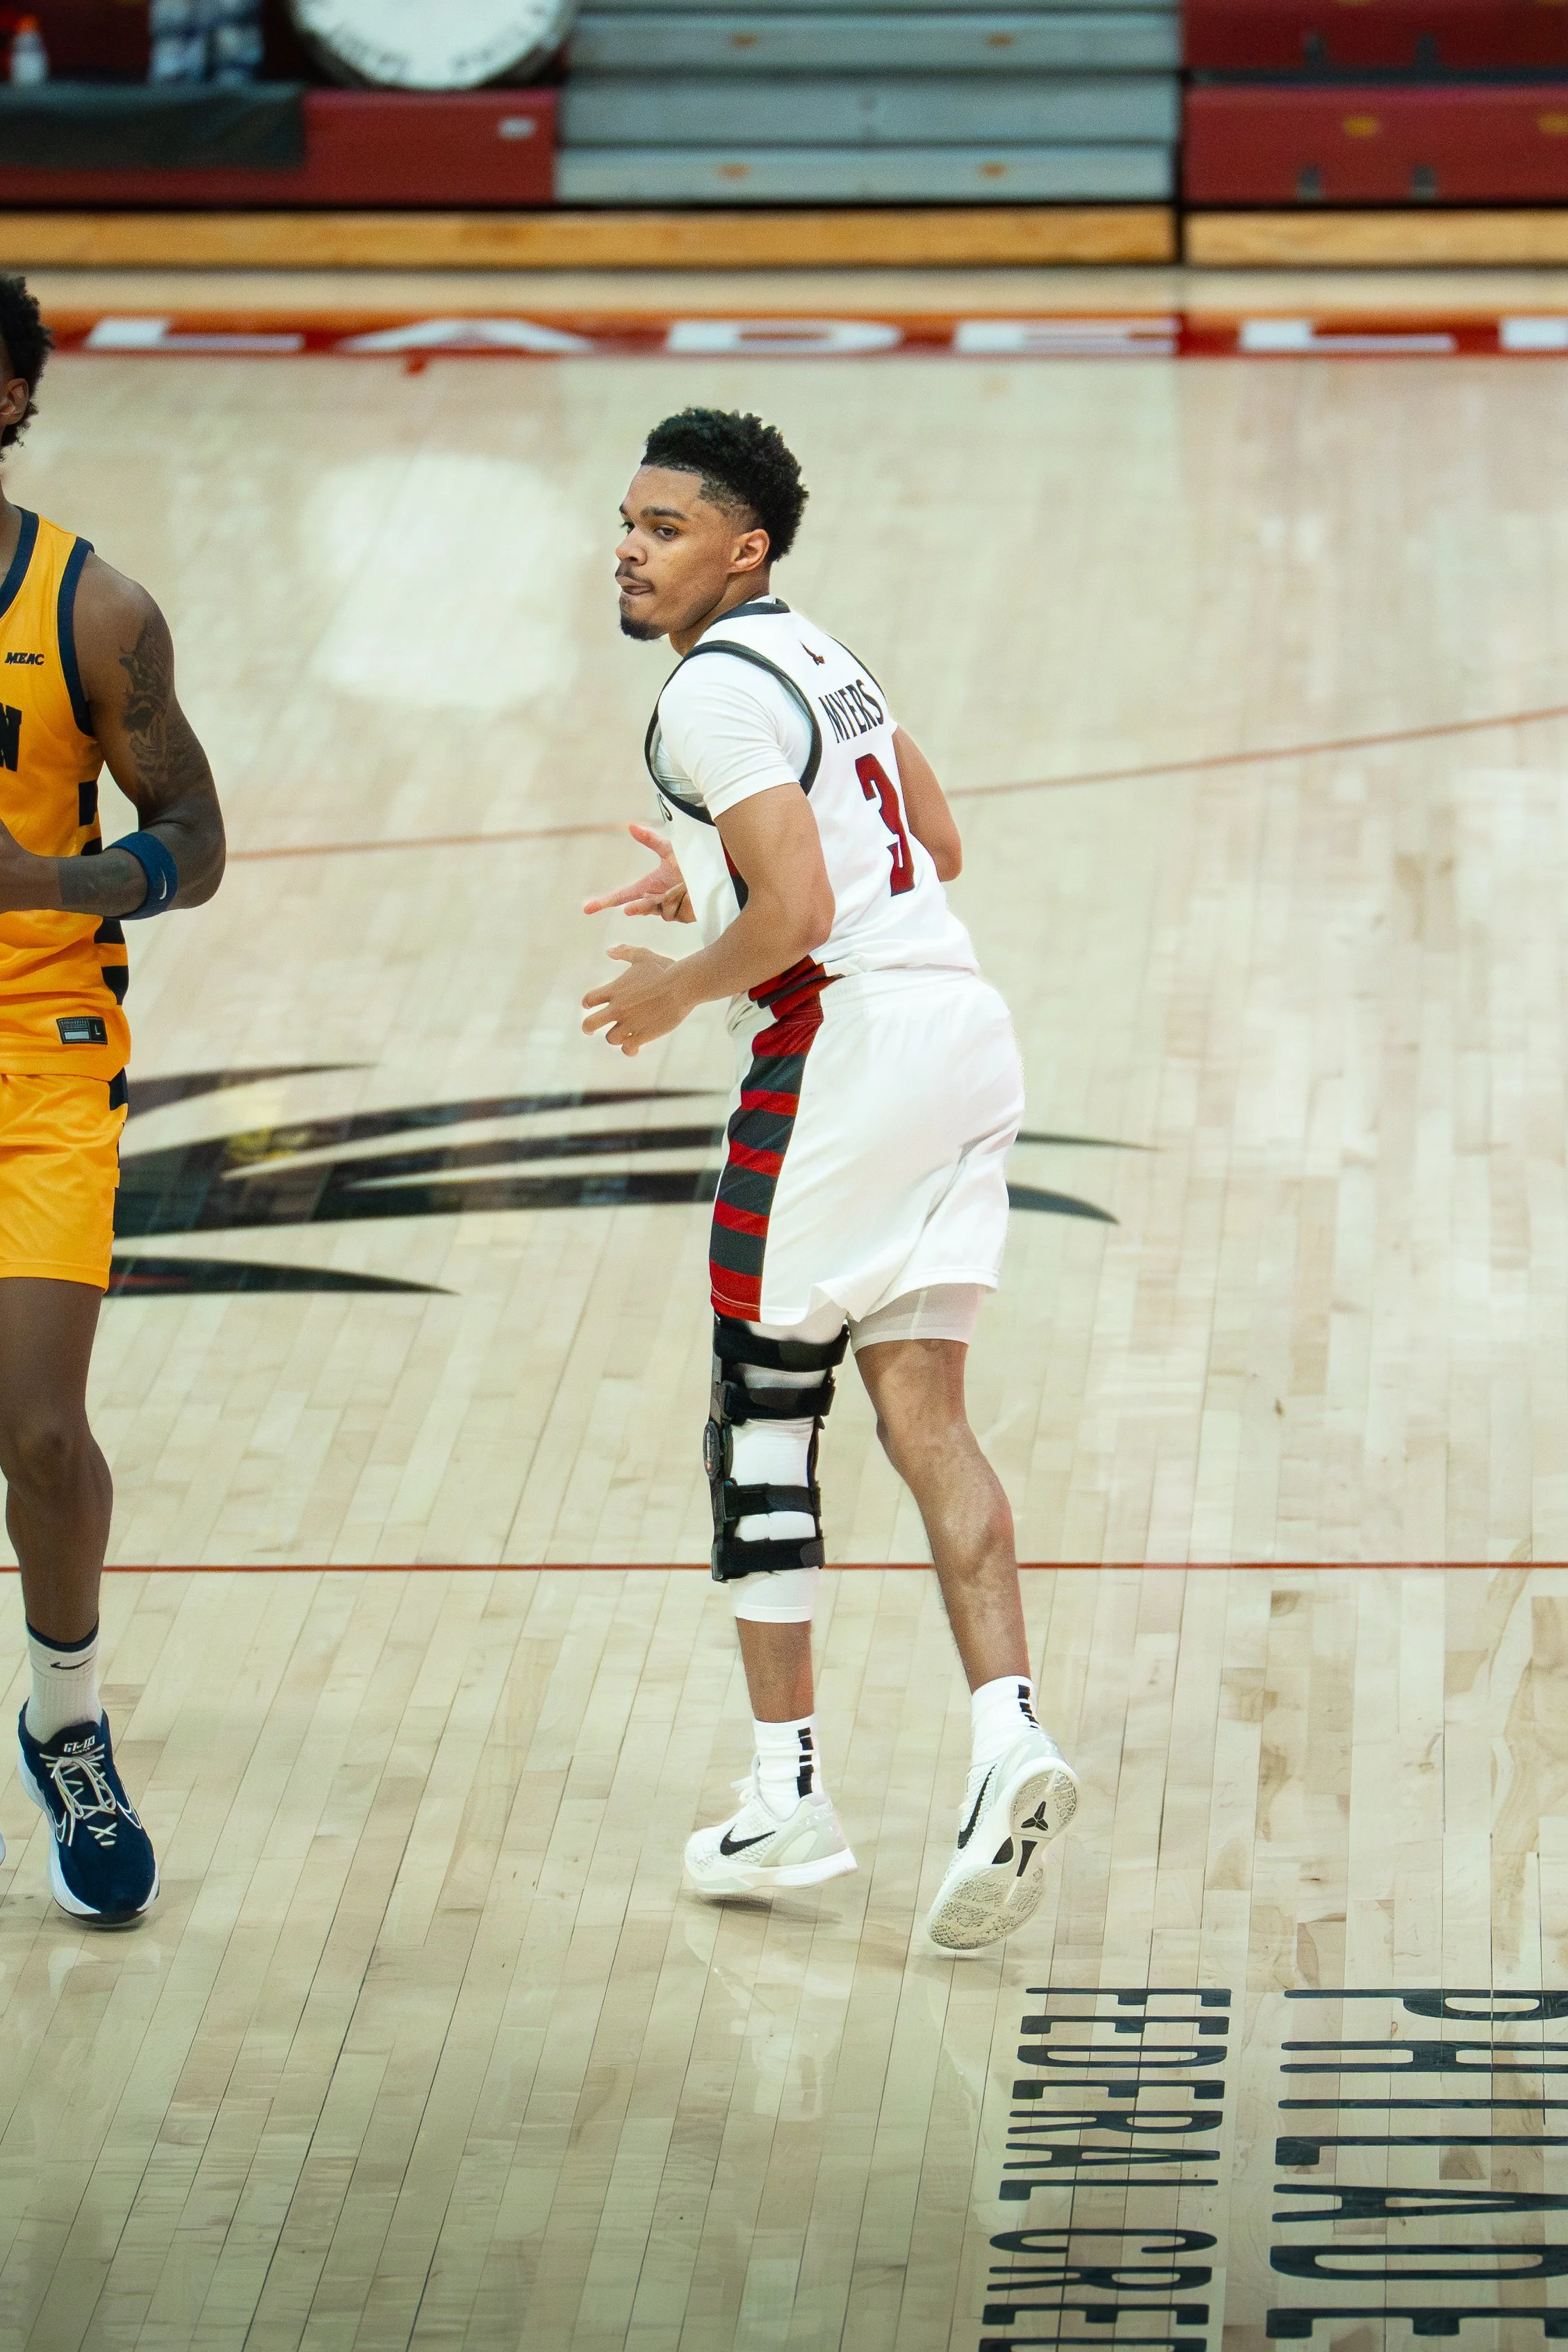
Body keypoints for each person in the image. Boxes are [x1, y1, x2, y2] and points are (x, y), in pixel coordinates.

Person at [582, 407, 1077, 1951]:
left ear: (746, 548)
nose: (630, 549)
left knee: (761, 1413)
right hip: (966, 1035)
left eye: (665, 528)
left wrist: (680, 979)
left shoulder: (707, 703)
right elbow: (927, 831)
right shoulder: (819, 653)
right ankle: (1008, 1738)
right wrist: (713, 868)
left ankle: (785, 1796)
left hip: (846, 1053)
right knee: (926, 1411)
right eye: (628, 521)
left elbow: (795, 904)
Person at [0, 275, 224, 1923]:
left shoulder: (92, 609)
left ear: (13, 399)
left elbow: (197, 841)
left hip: (35, 1050)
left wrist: (56, 878)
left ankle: (67, 1719)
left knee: (36, 1424)